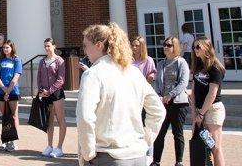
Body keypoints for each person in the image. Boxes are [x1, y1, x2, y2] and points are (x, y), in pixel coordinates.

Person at [77, 22, 165, 165]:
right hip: (138, 155)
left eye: (86, 45)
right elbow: (158, 111)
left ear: (98, 45)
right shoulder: (133, 72)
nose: (84, 51)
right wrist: (145, 139)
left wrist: (87, 153)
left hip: (108, 155)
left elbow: (85, 117)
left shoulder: (93, 74)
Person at [151, 37, 190, 166]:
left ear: (175, 47)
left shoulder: (181, 62)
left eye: (169, 45)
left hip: (178, 103)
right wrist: (159, 96)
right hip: (163, 103)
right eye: (164, 45)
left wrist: (170, 95)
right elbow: (157, 82)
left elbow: (183, 82)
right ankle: (156, 161)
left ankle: (179, 161)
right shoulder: (161, 63)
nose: (166, 47)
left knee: (177, 133)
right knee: (160, 132)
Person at [190, 37, 226, 166]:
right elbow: (193, 92)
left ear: (207, 47)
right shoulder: (198, 67)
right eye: (194, 47)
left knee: (215, 147)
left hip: (213, 109)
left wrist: (201, 113)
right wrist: (195, 113)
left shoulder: (215, 68)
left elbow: (212, 94)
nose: (195, 50)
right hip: (199, 110)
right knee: (200, 145)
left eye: (198, 47)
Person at [38, 37, 67, 158]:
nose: (46, 48)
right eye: (45, 46)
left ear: (54, 46)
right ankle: (49, 145)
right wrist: (41, 90)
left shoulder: (60, 60)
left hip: (56, 94)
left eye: (48, 46)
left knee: (60, 120)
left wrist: (50, 91)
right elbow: (39, 77)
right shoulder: (42, 61)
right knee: (49, 122)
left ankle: (59, 147)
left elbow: (61, 79)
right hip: (45, 94)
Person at [0, 39, 22, 152]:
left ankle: (13, 141)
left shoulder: (16, 60)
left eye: (7, 47)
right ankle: (5, 140)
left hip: (13, 91)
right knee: (4, 116)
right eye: (4, 47)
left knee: (14, 116)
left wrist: (8, 91)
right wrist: (3, 89)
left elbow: (16, 76)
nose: (5, 49)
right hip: (1, 91)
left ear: (12, 48)